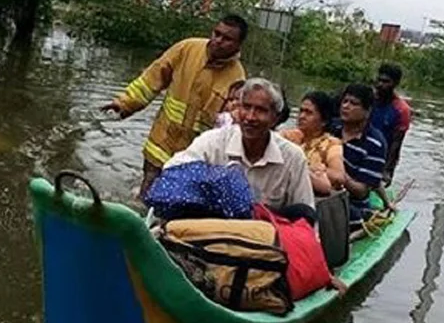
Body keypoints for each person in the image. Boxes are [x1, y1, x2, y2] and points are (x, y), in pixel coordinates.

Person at [102, 15, 248, 196]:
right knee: (147, 191)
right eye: (216, 33)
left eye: (227, 39)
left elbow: (228, 127)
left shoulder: (237, 79)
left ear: (239, 44)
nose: (218, 40)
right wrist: (124, 103)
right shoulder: (187, 49)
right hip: (161, 142)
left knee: (177, 201)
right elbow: (151, 79)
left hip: (195, 155)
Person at [163, 77, 314, 211]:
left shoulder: (293, 157)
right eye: (246, 107)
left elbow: (305, 213)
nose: (250, 117)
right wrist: (214, 180)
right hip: (212, 227)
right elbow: (172, 169)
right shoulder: (213, 142)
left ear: (276, 118)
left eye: (261, 110)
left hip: (263, 232)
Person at [330, 83, 389, 216]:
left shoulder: (375, 143)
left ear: (367, 111)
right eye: (345, 101)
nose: (346, 106)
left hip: (350, 205)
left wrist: (337, 173)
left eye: (353, 103)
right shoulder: (332, 128)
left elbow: (361, 191)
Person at [281, 91, 345, 197]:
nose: (301, 116)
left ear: (324, 121)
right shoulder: (290, 136)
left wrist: (310, 169)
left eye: (308, 113)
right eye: (301, 111)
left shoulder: (332, 144)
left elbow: (338, 177)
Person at [370, 63, 413, 185]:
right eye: (379, 80)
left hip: (383, 157)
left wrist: (387, 171)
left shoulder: (402, 110)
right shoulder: (368, 100)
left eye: (386, 82)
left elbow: (396, 143)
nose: (380, 85)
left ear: (395, 84)